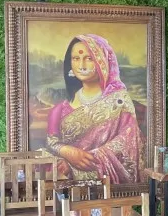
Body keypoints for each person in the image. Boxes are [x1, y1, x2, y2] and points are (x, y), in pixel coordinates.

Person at [44, 34, 143, 183]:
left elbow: (128, 140)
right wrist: (67, 151)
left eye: (89, 58)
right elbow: (52, 143)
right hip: (68, 190)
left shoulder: (119, 101)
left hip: (108, 188)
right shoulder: (59, 109)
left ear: (102, 62)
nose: (81, 65)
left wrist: (79, 163)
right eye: (76, 58)